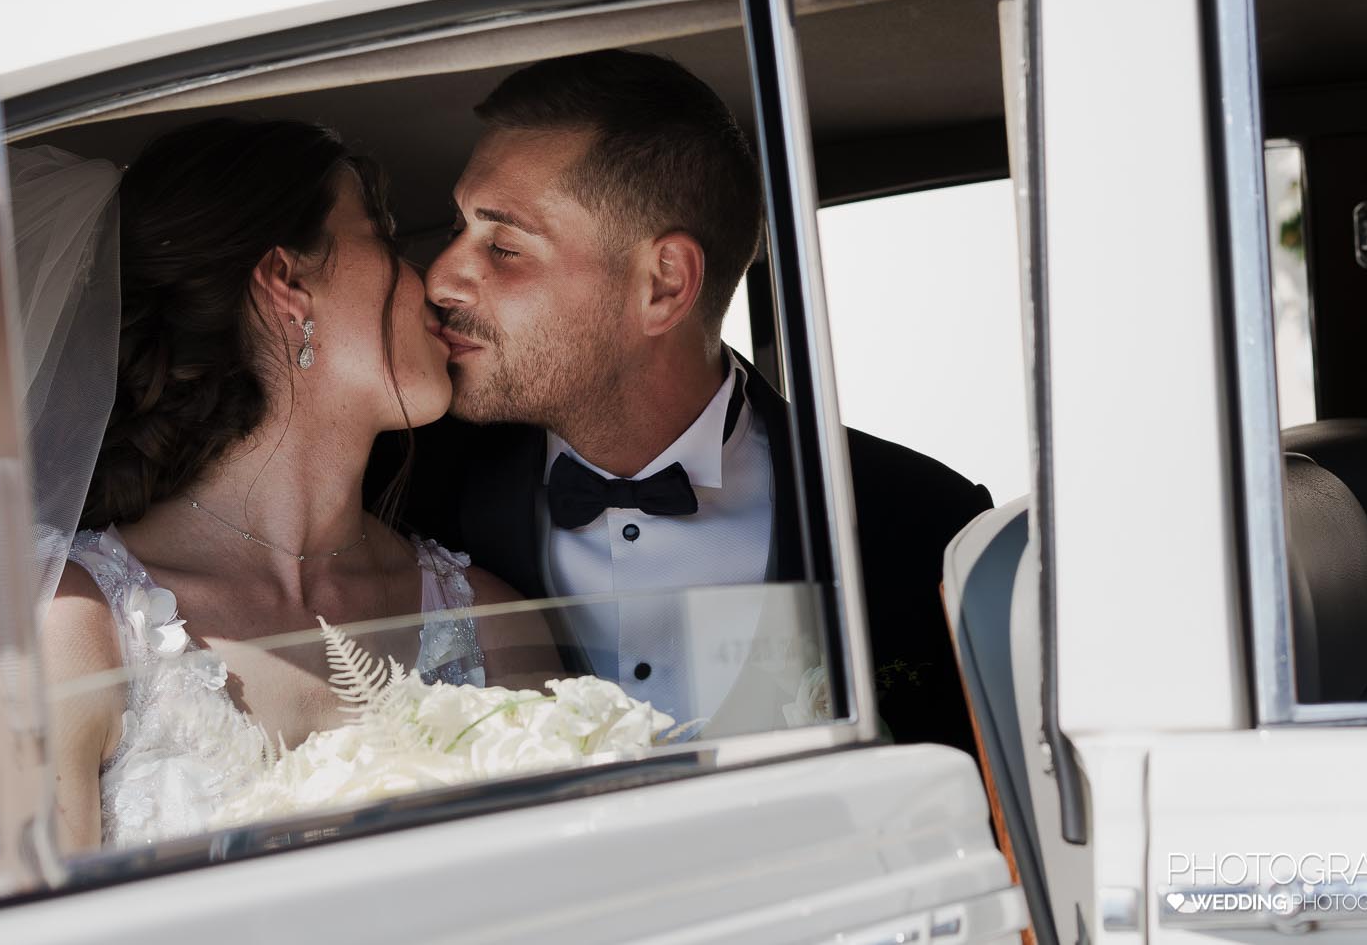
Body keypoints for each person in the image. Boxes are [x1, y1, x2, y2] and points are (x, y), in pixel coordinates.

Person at [408, 50, 991, 754]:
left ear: (664, 285)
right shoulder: (414, 506)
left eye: (503, 246)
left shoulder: (925, 522)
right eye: (456, 230)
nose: (440, 278)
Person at [43, 119, 555, 852]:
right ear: (287, 284)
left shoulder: (497, 626)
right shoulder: (77, 629)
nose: (435, 283)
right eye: (384, 233)